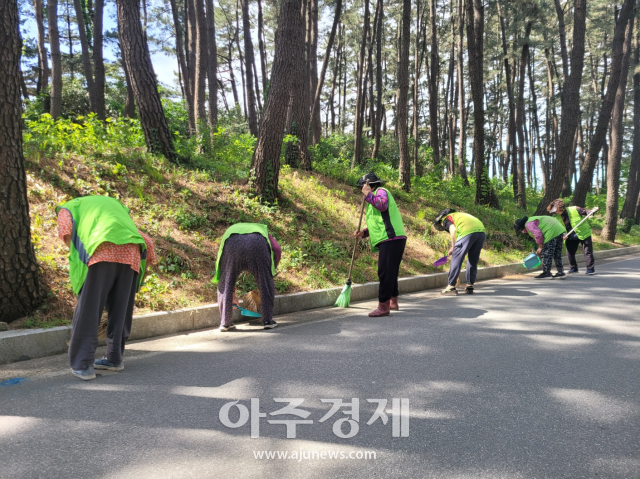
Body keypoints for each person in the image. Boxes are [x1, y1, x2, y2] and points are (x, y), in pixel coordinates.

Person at [56, 195, 156, 381]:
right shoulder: (117, 208)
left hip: (101, 249)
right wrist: (140, 274)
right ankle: (115, 358)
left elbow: (69, 239)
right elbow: (147, 242)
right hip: (131, 253)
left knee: (89, 309)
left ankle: (82, 364)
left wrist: (83, 271)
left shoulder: (66, 209)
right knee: (121, 310)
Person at [353, 172, 407, 317]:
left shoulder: (381, 192)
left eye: (362, 187)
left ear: (368, 185)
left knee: (385, 272)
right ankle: (392, 301)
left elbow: (382, 206)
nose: (361, 191)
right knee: (391, 272)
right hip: (390, 237)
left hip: (391, 237)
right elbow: (379, 223)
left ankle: (383, 306)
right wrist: (363, 233)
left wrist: (368, 194)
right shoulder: (372, 199)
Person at [213, 223, 282, 331]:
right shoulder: (262, 230)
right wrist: (270, 270)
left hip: (232, 243)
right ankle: (268, 321)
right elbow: (276, 249)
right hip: (257, 244)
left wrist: (232, 294)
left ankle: (225, 323)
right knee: (266, 282)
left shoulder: (231, 229)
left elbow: (225, 269)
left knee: (226, 281)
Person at [433, 209, 486, 295]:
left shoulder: (446, 218)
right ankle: (470, 285)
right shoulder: (461, 215)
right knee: (473, 259)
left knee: (456, 258)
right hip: (481, 232)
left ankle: (451, 287)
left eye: (440, 224)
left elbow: (453, 230)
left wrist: (453, 247)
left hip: (467, 232)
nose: (442, 225)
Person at [547, 199, 597, 275]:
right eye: (553, 211)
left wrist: (593, 210)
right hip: (570, 236)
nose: (555, 212)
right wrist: (563, 235)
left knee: (587, 251)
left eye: (555, 209)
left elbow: (587, 212)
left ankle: (590, 269)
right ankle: (573, 268)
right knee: (570, 252)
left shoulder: (574, 209)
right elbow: (560, 230)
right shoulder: (557, 218)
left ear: (560, 207)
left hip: (583, 232)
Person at [514, 215, 566, 279]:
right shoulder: (532, 219)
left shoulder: (528, 224)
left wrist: (540, 247)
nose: (521, 231)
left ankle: (546, 273)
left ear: (521, 227)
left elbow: (538, 234)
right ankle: (561, 272)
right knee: (557, 253)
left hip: (551, 232)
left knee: (546, 253)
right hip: (559, 230)